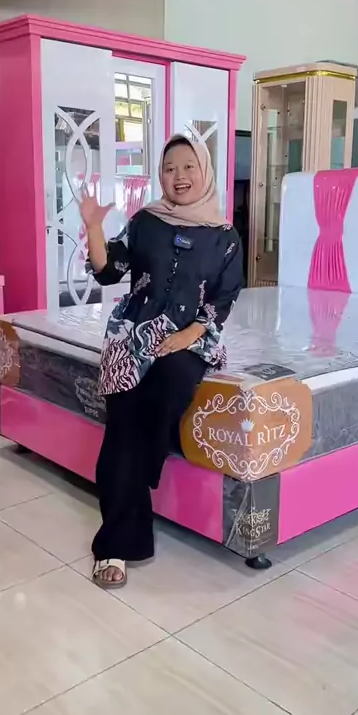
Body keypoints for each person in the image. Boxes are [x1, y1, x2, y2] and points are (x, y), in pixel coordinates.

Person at [79, 133, 243, 588]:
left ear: (205, 172)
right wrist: (93, 227)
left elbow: (225, 298)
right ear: (160, 175)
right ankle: (114, 546)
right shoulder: (145, 221)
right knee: (122, 428)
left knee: (169, 386)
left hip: (191, 338)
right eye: (170, 168)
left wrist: (188, 335)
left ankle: (139, 469)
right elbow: (109, 270)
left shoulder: (225, 237)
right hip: (132, 333)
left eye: (189, 167)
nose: (179, 176)